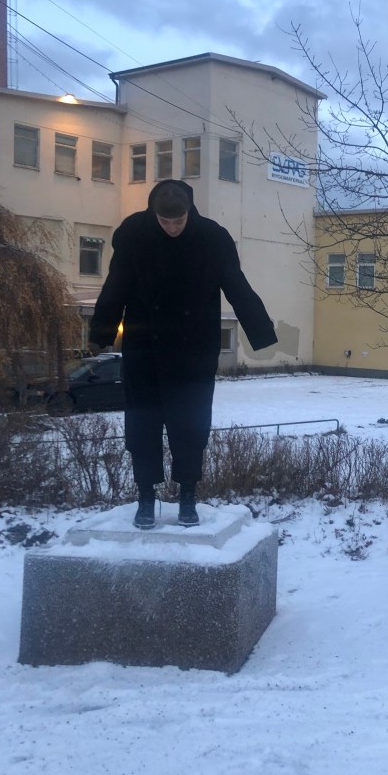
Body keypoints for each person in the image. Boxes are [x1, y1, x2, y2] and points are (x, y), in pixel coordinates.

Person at [89, 180, 277, 529]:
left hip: (194, 349)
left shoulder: (212, 237)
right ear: (154, 213)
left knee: (191, 424)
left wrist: (261, 332)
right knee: (142, 424)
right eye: (165, 221)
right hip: (143, 346)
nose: (172, 228)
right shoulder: (133, 234)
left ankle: (188, 496)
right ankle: (146, 498)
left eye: (179, 221)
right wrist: (102, 331)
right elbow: (116, 284)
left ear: (189, 212)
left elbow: (236, 284)